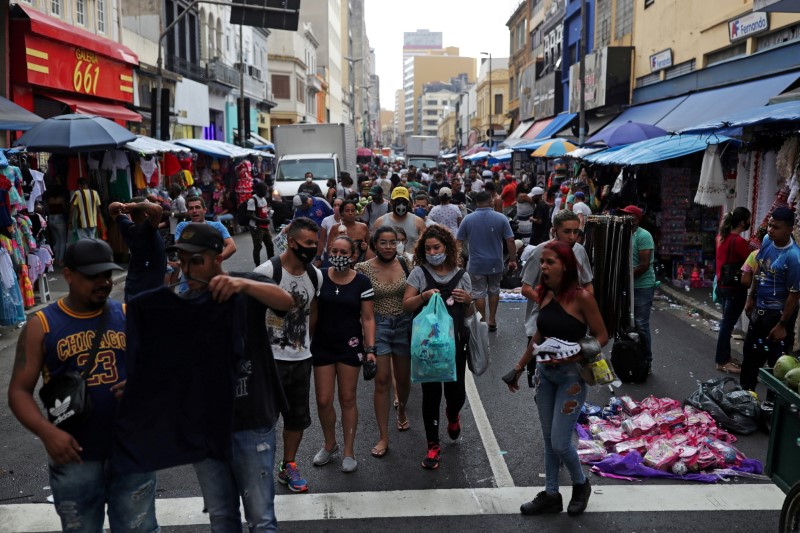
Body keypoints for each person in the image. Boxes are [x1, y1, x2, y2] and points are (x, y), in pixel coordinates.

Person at [8, 239, 159, 532]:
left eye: (106, 275)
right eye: (93, 276)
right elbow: (18, 391)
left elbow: (158, 372)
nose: (103, 282)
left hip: (131, 452)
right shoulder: (42, 325)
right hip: (75, 458)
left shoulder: (127, 315)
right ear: (68, 275)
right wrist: (46, 432)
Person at [170, 223, 294, 532]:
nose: (187, 269)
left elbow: (285, 302)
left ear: (216, 258)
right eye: (182, 261)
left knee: (261, 518)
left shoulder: (244, 285)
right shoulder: (179, 299)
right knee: (222, 518)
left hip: (251, 419)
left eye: (195, 261)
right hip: (207, 426)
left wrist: (242, 286)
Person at [506, 241, 608, 517]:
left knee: (560, 443)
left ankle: (580, 483)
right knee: (549, 438)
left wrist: (577, 352)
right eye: (542, 262)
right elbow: (539, 337)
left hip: (571, 379)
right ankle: (551, 494)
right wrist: (517, 368)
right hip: (545, 375)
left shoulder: (582, 297)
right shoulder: (546, 295)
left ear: (565, 266)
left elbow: (602, 335)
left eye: (549, 262)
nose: (543, 267)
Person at [255, 217, 323, 494]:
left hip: (300, 359)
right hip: (269, 361)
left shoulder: (314, 274)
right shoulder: (267, 272)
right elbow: (252, 314)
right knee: (263, 421)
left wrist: (307, 344)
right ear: (292, 242)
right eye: (308, 243)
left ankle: (288, 465)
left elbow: (313, 311)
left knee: (296, 418)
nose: (313, 248)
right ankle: (258, 470)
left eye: (316, 243)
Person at [403, 225, 473, 470]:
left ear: (447, 247)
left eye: (437, 247)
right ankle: (433, 445)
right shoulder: (419, 274)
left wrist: (469, 301)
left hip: (455, 345)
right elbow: (406, 305)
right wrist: (423, 296)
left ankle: (453, 415)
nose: (433, 252)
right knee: (431, 396)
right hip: (427, 348)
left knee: (456, 394)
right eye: (428, 248)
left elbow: (471, 313)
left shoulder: (461, 274)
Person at [311, 235, 376, 473]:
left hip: (350, 345)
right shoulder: (318, 277)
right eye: (334, 251)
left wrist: (370, 349)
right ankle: (330, 444)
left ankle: (349, 450)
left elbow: (368, 318)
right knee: (323, 400)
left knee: (347, 399)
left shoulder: (362, 281)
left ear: (353, 256)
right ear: (328, 252)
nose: (338, 255)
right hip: (322, 345)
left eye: (343, 252)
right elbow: (312, 312)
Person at [355, 227, 413, 458]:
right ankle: (383, 436)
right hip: (377, 327)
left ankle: (402, 411)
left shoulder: (408, 265)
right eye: (383, 242)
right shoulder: (363, 268)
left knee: (403, 379)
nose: (389, 247)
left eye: (393, 242)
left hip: (404, 326)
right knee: (382, 381)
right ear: (374, 244)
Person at [741, 207, 800, 411]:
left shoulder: (794, 257)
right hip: (759, 310)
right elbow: (759, 270)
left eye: (776, 227)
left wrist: (783, 324)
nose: (770, 230)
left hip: (779, 316)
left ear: (789, 229)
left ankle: (771, 408)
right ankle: (745, 399)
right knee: (750, 356)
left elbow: (794, 295)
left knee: (776, 363)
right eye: (770, 225)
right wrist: (751, 297)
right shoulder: (767, 241)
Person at [521, 210, 594, 344]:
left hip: (572, 326)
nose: (572, 237)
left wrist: (585, 305)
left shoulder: (579, 250)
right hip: (541, 326)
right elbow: (525, 288)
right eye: (567, 232)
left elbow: (587, 283)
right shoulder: (540, 250)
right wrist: (551, 306)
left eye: (576, 232)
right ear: (554, 232)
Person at [457, 191, 517, 332]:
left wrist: (457, 259)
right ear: (490, 201)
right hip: (496, 262)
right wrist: (513, 259)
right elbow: (511, 240)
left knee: (478, 293)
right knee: (494, 290)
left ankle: (482, 319)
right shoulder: (501, 218)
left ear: (476, 203)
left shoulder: (468, 219)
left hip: (476, 263)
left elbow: (458, 241)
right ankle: (492, 320)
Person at [714, 207, 752, 374]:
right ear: (742, 222)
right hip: (735, 288)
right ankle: (722, 361)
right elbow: (751, 262)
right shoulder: (738, 241)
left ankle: (726, 357)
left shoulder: (721, 237)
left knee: (726, 323)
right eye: (748, 219)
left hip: (722, 286)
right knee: (727, 325)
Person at [108, 198, 166, 302]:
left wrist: (123, 206)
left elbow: (112, 208)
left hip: (133, 289)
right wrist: (134, 206)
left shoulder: (127, 227)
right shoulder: (147, 230)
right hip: (148, 294)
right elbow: (157, 209)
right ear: (146, 214)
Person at [621, 205, 656, 370]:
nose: (626, 218)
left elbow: (644, 265)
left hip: (642, 286)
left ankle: (646, 360)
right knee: (625, 323)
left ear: (636, 218)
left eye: (629, 216)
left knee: (641, 323)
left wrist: (625, 278)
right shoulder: (622, 234)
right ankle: (628, 358)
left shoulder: (644, 236)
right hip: (627, 286)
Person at [175, 196, 237, 260]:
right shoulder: (182, 226)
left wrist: (215, 260)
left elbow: (232, 246)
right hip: (189, 268)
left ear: (205, 210)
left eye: (197, 207)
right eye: (191, 208)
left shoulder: (217, 226)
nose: (194, 211)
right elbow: (179, 248)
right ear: (188, 212)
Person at [373, 187, 427, 251]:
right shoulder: (380, 222)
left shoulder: (418, 223)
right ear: (391, 202)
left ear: (408, 203)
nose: (401, 204)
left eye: (404, 201)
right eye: (397, 201)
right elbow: (373, 247)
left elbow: (425, 245)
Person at [324, 199, 372, 264]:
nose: (350, 213)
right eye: (347, 211)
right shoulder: (335, 228)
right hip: (340, 264)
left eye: (353, 210)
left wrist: (366, 247)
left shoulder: (363, 227)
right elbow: (329, 249)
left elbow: (370, 247)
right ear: (342, 213)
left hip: (360, 265)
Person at [248, 181, 275, 267]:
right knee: (258, 246)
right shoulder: (252, 200)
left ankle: (272, 263)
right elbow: (250, 214)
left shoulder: (263, 199)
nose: (266, 192)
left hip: (264, 226)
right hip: (256, 227)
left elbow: (263, 211)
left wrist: (268, 213)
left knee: (270, 244)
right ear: (259, 190)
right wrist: (263, 221)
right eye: (265, 190)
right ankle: (258, 265)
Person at [44, 184, 68, 266]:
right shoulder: (61, 199)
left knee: (57, 240)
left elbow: (47, 209)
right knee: (62, 240)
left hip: (51, 218)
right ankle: (60, 260)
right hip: (59, 218)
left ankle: (57, 259)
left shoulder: (49, 199)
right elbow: (64, 209)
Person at [317, 197, 344, 267]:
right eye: (334, 205)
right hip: (329, 254)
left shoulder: (347, 221)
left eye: (339, 205)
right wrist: (318, 257)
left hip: (344, 254)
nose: (336, 207)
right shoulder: (326, 220)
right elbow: (322, 240)